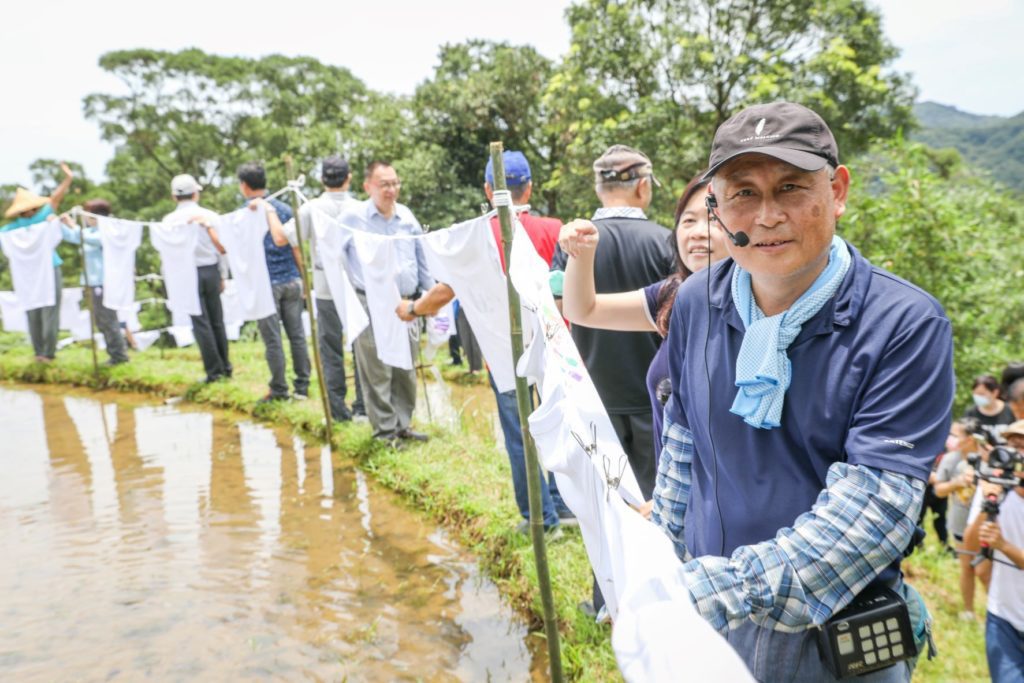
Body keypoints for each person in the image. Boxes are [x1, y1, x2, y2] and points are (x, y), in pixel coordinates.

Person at [653, 102, 954, 681]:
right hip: (708, 615)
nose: (766, 217)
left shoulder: (903, 323)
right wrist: (660, 557)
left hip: (829, 636)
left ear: (837, 191)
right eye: (743, 193)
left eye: (791, 187)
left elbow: (872, 516)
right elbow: (682, 445)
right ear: (716, 205)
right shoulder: (697, 302)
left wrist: (714, 589)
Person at [399, 150, 571, 533]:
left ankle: (541, 519)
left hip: (506, 352)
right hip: (557, 348)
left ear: (488, 189)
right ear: (529, 187)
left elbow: (445, 291)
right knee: (561, 427)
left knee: (521, 434)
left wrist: (412, 308)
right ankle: (567, 504)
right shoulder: (555, 228)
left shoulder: (475, 237)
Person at [559, 171, 728, 462]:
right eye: (688, 220)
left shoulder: (760, 303)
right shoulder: (672, 295)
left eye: (714, 218)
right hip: (670, 483)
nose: (698, 231)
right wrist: (583, 253)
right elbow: (581, 310)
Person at [550, 144, 675, 501]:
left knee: (608, 504)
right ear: (643, 186)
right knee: (658, 504)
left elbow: (559, 306)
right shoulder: (666, 241)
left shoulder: (572, 245)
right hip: (656, 397)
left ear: (598, 188)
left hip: (593, 394)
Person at [342, 161, 432, 446]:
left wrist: (429, 295)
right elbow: (332, 254)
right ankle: (384, 432)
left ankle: (403, 424)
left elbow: (421, 255)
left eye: (395, 183)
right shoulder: (353, 218)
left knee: (405, 366)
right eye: (385, 185)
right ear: (368, 186)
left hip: (408, 304)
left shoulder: (406, 216)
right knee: (376, 368)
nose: (391, 190)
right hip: (370, 302)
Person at [292, 155, 365, 420]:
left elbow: (285, 237)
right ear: (349, 178)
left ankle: (337, 411)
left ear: (323, 179)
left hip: (325, 289)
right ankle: (363, 408)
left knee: (330, 349)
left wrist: (267, 212)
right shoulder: (360, 207)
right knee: (361, 347)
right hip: (357, 288)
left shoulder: (310, 208)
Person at [237, 161, 312, 404]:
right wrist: (303, 277)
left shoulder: (245, 213)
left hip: (265, 284)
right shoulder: (284, 209)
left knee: (273, 340)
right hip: (291, 279)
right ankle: (302, 386)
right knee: (297, 335)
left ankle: (279, 389)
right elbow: (296, 246)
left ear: (245, 186)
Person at [964, 419, 1024, 682]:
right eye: (1012, 445)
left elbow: (1000, 546)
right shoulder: (996, 487)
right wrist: (989, 503)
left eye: (1022, 447)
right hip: (1004, 617)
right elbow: (969, 549)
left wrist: (1004, 547)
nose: (1015, 454)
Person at [1, 162, 75, 360]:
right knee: (46, 311)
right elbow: (56, 198)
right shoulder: (43, 217)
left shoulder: (10, 230)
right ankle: (47, 353)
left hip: (28, 274)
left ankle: (40, 352)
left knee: (33, 310)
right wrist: (68, 178)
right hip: (46, 270)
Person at [162, 174, 231, 383]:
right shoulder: (210, 216)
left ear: (174, 197)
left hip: (186, 275)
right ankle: (225, 367)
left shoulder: (168, 222)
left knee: (200, 323)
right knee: (217, 320)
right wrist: (223, 274)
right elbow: (222, 249)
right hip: (210, 270)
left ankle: (214, 371)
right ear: (196, 193)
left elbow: (167, 255)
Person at [58, 198, 130, 365]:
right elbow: (73, 236)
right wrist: (60, 224)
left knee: (108, 319)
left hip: (102, 282)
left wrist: (72, 225)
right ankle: (114, 354)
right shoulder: (89, 231)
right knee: (100, 321)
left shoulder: (107, 231)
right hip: (91, 282)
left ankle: (119, 355)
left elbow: (81, 236)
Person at [933, 419, 989, 621]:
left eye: (957, 435)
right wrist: (956, 483)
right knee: (967, 567)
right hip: (959, 522)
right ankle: (968, 610)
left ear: (971, 439)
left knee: (986, 570)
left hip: (986, 526)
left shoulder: (989, 460)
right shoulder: (950, 460)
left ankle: (998, 611)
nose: (952, 439)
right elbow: (938, 490)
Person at [963, 374, 1016, 442]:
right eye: (975, 394)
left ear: (995, 392)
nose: (978, 397)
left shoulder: (1010, 410)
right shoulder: (970, 412)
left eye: (981, 394)